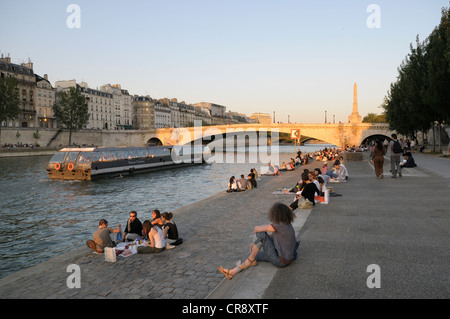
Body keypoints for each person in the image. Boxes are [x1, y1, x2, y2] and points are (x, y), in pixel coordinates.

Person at [217, 203, 299, 280]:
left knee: (261, 233)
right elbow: (273, 236)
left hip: (280, 260)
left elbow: (257, 229)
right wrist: (256, 242)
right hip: (282, 256)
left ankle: (249, 262)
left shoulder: (279, 225)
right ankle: (232, 272)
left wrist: (258, 240)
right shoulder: (286, 224)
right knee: (249, 255)